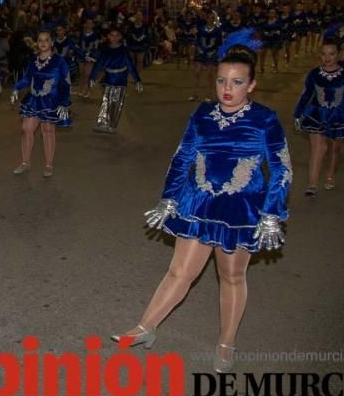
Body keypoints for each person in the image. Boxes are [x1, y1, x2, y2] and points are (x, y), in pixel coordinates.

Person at [113, 39, 292, 374]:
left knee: (232, 276)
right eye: (222, 80)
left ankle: (226, 342)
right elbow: (183, 156)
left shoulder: (264, 119)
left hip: (241, 208)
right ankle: (145, 327)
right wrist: (169, 196)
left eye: (237, 82)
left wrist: (272, 212)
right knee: (180, 271)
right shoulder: (202, 114)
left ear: (251, 84)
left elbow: (281, 167)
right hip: (199, 202)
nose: (228, 88)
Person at [293, 37, 344, 197]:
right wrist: (297, 113)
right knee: (318, 148)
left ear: (338, 54)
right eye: (323, 54)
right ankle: (312, 184)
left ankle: (330, 175)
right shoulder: (314, 74)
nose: (327, 58)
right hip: (316, 114)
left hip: (339, 115)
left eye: (331, 54)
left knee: (334, 149)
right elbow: (305, 94)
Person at [10, 29, 71, 177]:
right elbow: (26, 78)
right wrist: (15, 88)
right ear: (37, 43)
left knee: (48, 131)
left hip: (51, 101)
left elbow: (65, 83)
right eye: (40, 40)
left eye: (46, 40)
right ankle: (25, 162)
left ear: (52, 42)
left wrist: (64, 102)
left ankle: (49, 165)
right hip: (34, 99)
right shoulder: (33, 60)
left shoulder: (59, 61)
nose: (43, 43)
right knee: (26, 129)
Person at [88, 26, 143, 134]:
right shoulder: (105, 50)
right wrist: (92, 77)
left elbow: (130, 65)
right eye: (111, 35)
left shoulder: (124, 51)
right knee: (106, 101)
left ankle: (112, 124)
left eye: (117, 35)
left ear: (121, 37)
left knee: (116, 102)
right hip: (108, 78)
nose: (114, 38)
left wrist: (137, 80)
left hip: (120, 79)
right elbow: (99, 64)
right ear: (108, 36)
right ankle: (103, 123)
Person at [191, 11, 222, 101]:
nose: (210, 20)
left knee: (210, 74)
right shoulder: (201, 28)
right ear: (206, 18)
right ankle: (194, 94)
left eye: (212, 18)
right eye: (209, 17)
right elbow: (197, 40)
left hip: (212, 53)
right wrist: (196, 49)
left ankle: (209, 94)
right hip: (201, 52)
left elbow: (219, 43)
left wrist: (218, 54)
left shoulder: (217, 30)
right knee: (197, 73)